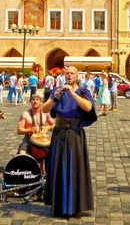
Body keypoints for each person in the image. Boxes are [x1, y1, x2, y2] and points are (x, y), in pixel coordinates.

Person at [43, 65, 97, 218]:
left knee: (75, 167)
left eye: (72, 73)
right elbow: (44, 109)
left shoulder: (82, 91)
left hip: (74, 133)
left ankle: (75, 206)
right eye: (67, 73)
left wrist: (73, 94)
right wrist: (55, 98)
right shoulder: (56, 91)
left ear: (77, 76)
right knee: (58, 166)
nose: (69, 76)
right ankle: (59, 205)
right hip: (59, 133)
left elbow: (88, 108)